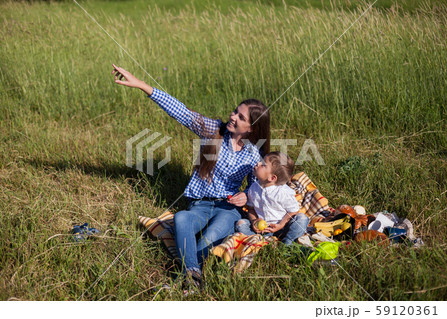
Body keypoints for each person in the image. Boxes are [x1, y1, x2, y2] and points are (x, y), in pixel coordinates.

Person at [111, 64, 270, 288]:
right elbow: (182, 112)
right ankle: (193, 275)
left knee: (205, 240)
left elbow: (256, 191)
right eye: (235, 111)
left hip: (228, 209)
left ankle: (187, 277)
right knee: (180, 218)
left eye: (240, 116)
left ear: (251, 128)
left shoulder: (254, 155)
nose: (232, 116)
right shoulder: (213, 130)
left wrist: (245, 195)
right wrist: (141, 85)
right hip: (199, 205)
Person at [235, 151, 309, 245]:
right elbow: (251, 209)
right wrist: (254, 221)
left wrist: (281, 225)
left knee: (302, 219)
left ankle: (288, 242)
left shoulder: (283, 192)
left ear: (272, 178)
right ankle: (261, 241)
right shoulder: (253, 188)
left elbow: (293, 211)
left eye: (263, 164)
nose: (258, 163)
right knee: (240, 224)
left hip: (283, 227)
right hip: (263, 229)